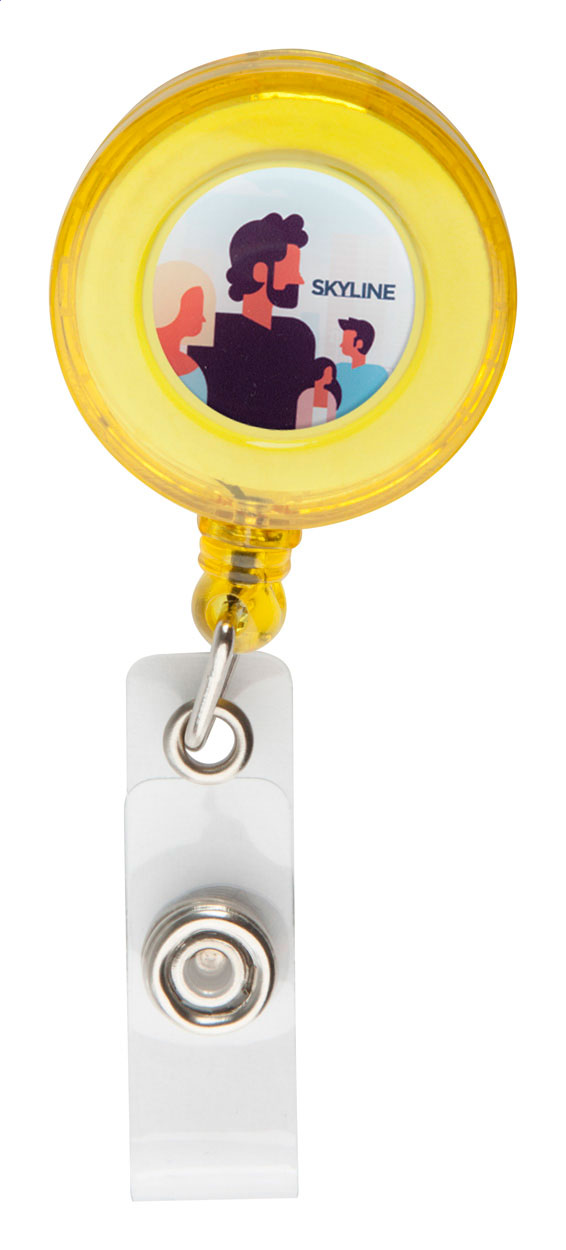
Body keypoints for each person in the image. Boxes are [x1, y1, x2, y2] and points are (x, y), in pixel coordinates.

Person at [190, 213, 316, 430]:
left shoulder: (298, 336)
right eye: (292, 269)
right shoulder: (211, 334)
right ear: (260, 272)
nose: (300, 279)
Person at [154, 261, 215, 404]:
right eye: (196, 309)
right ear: (173, 309)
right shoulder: (190, 372)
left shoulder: (191, 370)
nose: (203, 318)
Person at [336, 317, 389, 417]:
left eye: (346, 341)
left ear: (359, 344)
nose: (341, 345)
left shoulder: (378, 373)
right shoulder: (339, 369)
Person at [296, 358, 342, 428]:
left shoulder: (330, 397)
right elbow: (300, 422)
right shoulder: (306, 395)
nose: (331, 377)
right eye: (328, 373)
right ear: (320, 373)